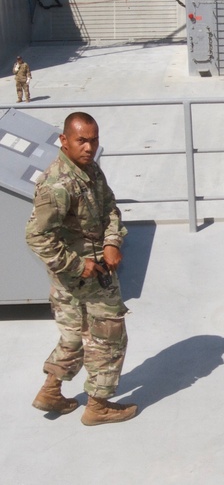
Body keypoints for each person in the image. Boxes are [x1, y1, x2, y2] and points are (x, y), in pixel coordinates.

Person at [25, 112, 138, 425]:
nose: (89, 147)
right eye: (81, 140)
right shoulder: (57, 184)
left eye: (94, 140)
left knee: (74, 337)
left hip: (88, 271)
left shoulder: (89, 171)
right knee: (109, 336)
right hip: (84, 277)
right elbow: (36, 237)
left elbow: (109, 209)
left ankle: (51, 390)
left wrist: (113, 242)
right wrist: (78, 265)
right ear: (64, 141)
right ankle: (98, 405)